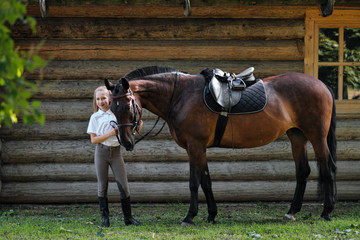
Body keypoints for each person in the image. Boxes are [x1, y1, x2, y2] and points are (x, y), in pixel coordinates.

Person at [87, 86, 141, 227]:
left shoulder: (116, 114)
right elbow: (93, 140)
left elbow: (125, 131)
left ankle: (128, 218)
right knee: (102, 185)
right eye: (98, 99)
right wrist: (110, 134)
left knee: (123, 185)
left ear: (110, 98)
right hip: (101, 153)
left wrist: (137, 128)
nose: (101, 101)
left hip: (116, 153)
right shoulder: (95, 117)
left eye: (103, 98)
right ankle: (105, 220)